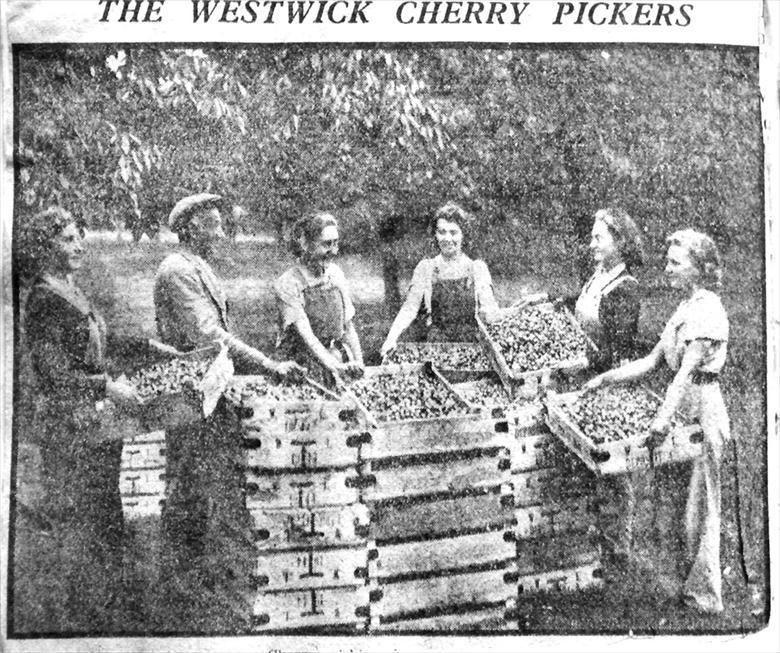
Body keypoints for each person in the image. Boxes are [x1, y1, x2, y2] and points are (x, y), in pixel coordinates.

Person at [20, 207, 158, 627]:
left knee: (105, 511)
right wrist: (106, 386)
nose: (78, 245)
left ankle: (110, 607)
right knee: (83, 518)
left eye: (80, 236)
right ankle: (86, 616)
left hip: (93, 424)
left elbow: (98, 342)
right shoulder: (44, 297)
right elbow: (54, 374)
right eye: (67, 238)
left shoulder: (72, 288)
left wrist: (151, 348)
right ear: (47, 246)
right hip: (68, 425)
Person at [586, 229, 729, 614]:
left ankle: (704, 596)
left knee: (699, 506)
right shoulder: (683, 308)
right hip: (680, 406)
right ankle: (678, 587)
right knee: (672, 502)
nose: (666, 268)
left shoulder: (708, 309)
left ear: (698, 269)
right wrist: (606, 378)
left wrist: (662, 419)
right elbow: (652, 362)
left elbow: (684, 374)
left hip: (701, 407)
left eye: (675, 263)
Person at [154, 193, 302, 377]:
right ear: (193, 229)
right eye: (215, 225)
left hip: (208, 370)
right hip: (187, 376)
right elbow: (207, 335)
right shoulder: (179, 270)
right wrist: (265, 363)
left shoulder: (198, 265)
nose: (222, 234)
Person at [380, 202, 508, 355]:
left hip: (473, 352)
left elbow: (490, 311)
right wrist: (391, 338)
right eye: (442, 232)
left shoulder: (477, 269)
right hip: (437, 351)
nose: (447, 238)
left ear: (463, 235)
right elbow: (409, 308)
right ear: (435, 234)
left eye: (453, 232)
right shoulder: (426, 268)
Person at [274, 211, 364, 385]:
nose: (333, 251)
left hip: (336, 358)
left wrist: (359, 364)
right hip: (300, 367)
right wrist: (332, 366)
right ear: (306, 244)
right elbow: (307, 337)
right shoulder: (288, 283)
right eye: (326, 244)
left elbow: (348, 328)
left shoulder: (336, 275)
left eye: (336, 243)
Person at [573, 207, 644, 372]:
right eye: (592, 238)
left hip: (599, 375)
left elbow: (619, 353)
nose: (592, 245)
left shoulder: (625, 288)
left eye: (598, 239)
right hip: (577, 368)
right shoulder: (597, 276)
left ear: (620, 241)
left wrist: (582, 362)